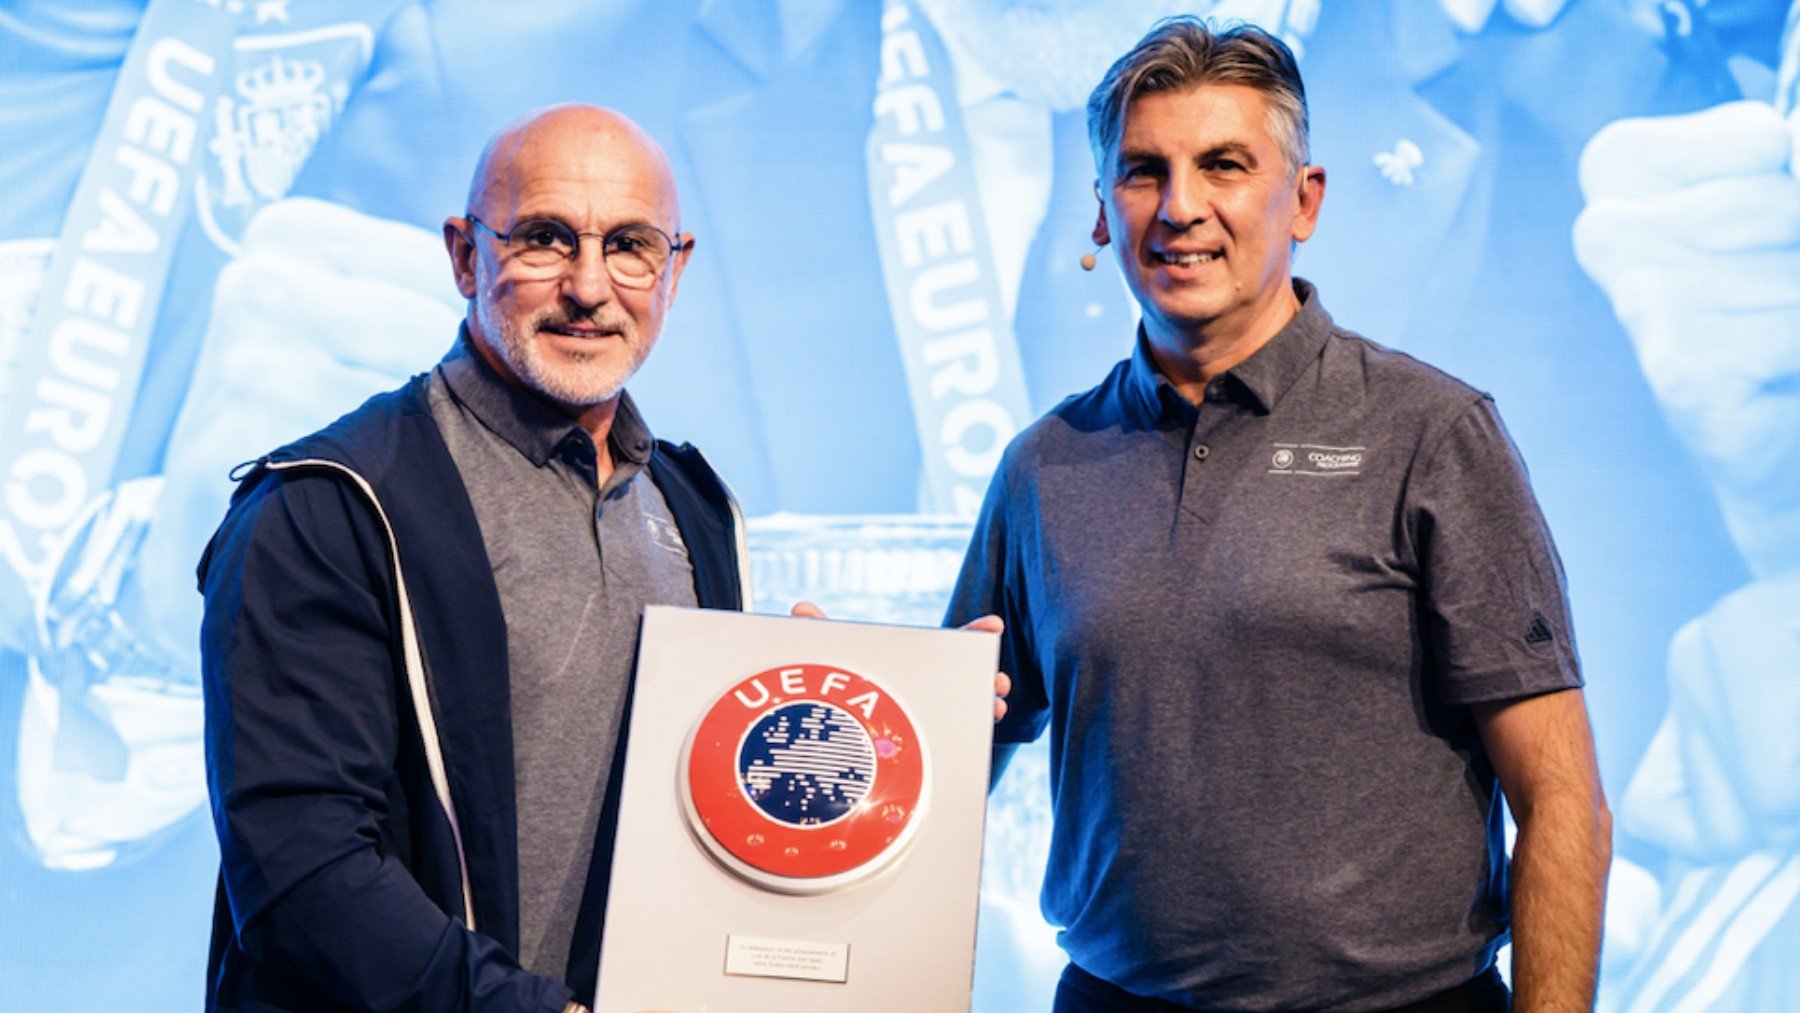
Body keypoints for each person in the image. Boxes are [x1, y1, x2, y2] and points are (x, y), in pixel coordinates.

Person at [947, 18, 1613, 1011]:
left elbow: (1561, 800)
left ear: (1303, 201)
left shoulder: (1432, 432)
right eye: (1141, 172)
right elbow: (951, 756)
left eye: (1223, 164)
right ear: (1099, 212)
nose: (1182, 207)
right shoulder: (1046, 466)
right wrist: (847, 697)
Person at [199, 104, 728, 1012]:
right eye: (546, 239)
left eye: (631, 245)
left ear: (673, 271)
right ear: (463, 256)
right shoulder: (326, 504)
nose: (590, 286)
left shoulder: (691, 505)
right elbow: (303, 872)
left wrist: (846, 695)